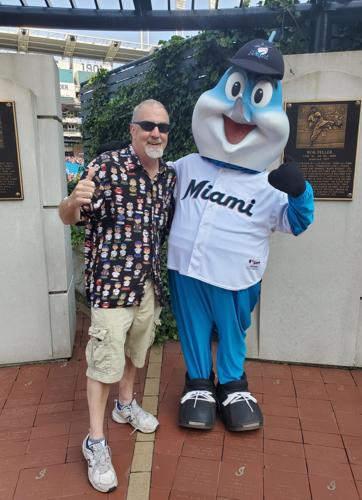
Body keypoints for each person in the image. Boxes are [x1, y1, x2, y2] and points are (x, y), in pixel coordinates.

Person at [167, 39, 314, 432]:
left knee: (233, 330)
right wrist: (130, 162)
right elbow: (152, 184)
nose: (240, 109)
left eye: (257, 96)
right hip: (186, 271)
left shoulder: (268, 183)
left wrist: (300, 191)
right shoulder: (187, 166)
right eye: (235, 90)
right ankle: (198, 383)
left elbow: (297, 222)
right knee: (192, 325)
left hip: (237, 276)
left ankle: (232, 384)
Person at [59, 99, 176, 493]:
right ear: (132, 130)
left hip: (147, 284)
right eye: (147, 125)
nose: (155, 132)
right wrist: (74, 201)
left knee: (134, 352)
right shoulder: (106, 168)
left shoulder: (168, 177)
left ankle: (125, 406)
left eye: (162, 126)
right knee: (103, 363)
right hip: (110, 287)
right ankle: (95, 441)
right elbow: (68, 215)